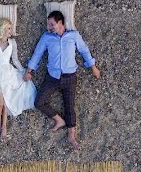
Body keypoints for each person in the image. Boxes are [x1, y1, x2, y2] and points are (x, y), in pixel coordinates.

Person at [24, 10, 101, 149]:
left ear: (60, 23)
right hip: (52, 77)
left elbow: (84, 50)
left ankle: (72, 135)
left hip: (70, 77)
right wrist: (29, 71)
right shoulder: (47, 37)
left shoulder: (73, 35)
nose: (49, 27)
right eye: (48, 25)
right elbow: (37, 54)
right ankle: (59, 120)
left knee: (69, 106)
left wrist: (93, 67)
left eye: (51, 24)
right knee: (39, 102)